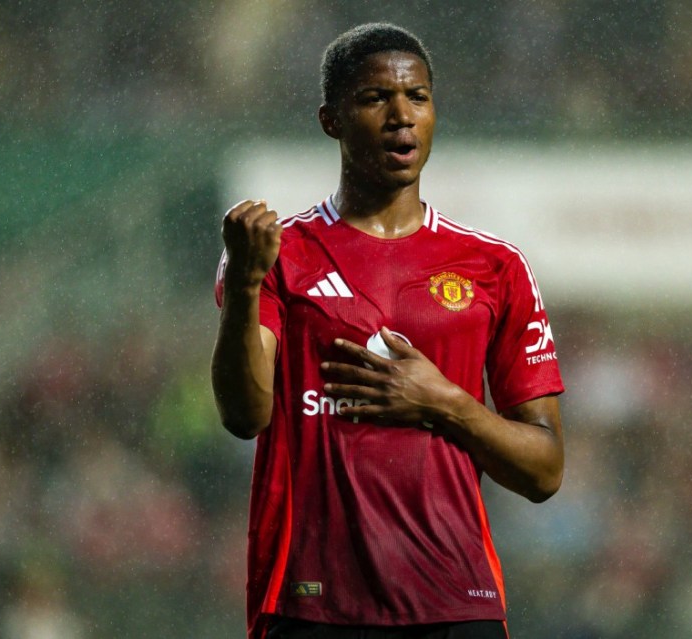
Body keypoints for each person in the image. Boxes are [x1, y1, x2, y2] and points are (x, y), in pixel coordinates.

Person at [211, 22, 565, 639]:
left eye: (418, 98)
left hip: (458, 601)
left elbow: (544, 471)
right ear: (332, 120)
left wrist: (446, 402)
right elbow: (246, 415)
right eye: (376, 98)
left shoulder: (496, 267)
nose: (402, 116)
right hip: (312, 600)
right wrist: (244, 285)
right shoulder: (279, 256)